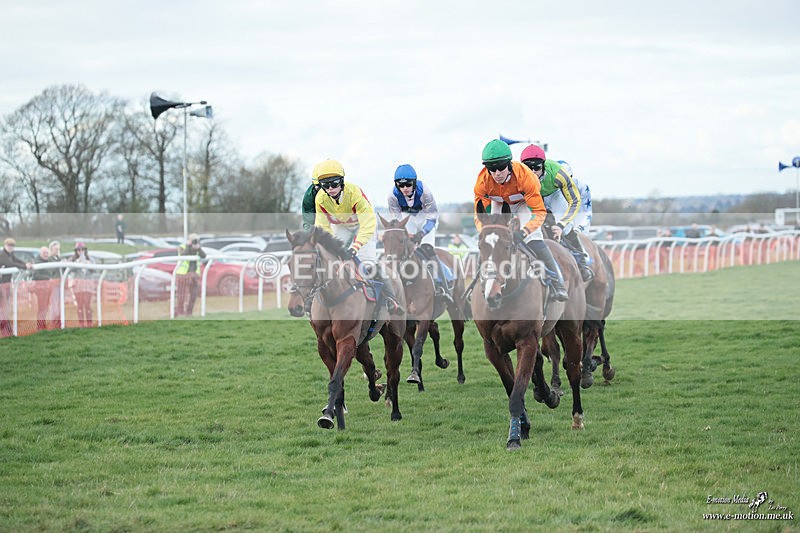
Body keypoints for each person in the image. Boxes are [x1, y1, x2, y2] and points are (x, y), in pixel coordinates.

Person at [473, 139, 568, 301]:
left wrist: (524, 232)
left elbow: (539, 212)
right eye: (492, 169)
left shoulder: (526, 177)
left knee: (534, 239)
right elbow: (479, 214)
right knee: (489, 241)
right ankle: (478, 284)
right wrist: (486, 230)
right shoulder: (482, 182)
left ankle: (557, 282)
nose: (497, 173)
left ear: (509, 164)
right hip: (499, 202)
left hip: (524, 203)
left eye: (501, 167)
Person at [313, 159, 403, 315]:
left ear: (342, 181)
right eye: (325, 185)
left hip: (364, 225)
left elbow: (367, 224)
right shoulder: (320, 199)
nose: (330, 188)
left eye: (334, 183)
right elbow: (322, 228)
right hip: (342, 226)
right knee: (332, 259)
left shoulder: (354, 194)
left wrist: (355, 247)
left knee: (367, 263)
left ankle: (391, 299)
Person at [520, 145, 594, 282]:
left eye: (537, 167)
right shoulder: (518, 175)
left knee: (565, 228)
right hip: (532, 195)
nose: (533, 172)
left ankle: (582, 263)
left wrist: (561, 225)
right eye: (528, 168)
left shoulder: (558, 173)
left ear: (543, 165)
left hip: (553, 194)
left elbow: (574, 201)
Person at [387, 163, 453, 302]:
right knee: (406, 250)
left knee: (427, 248)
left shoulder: (425, 191)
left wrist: (421, 234)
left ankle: (442, 284)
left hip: (426, 219)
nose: (405, 188)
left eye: (408, 184)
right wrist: (405, 235)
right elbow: (397, 222)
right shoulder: (392, 196)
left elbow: (432, 218)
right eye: (401, 185)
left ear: (414, 183)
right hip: (408, 219)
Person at [1, 238, 34, 336]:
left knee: (6, 307)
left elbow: (17, 261)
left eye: (12, 245)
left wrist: (26, 264)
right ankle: (6, 329)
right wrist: (25, 266)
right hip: (2, 285)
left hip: (6, 285)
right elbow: (10, 264)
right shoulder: (2, 255)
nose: (10, 247)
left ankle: (7, 330)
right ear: (5, 245)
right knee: (4, 307)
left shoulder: (11, 255)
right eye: (9, 245)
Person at [175, 233, 206, 317]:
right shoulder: (182, 247)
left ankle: (189, 313)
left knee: (193, 295)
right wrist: (189, 246)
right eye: (193, 241)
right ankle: (179, 312)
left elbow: (203, 256)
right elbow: (183, 254)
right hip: (183, 274)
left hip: (194, 275)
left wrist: (199, 249)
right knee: (181, 296)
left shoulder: (197, 248)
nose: (195, 242)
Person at [69, 242, 96, 327]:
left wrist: (86, 262)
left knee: (88, 305)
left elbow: (94, 270)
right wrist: (77, 262)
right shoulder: (73, 260)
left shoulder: (91, 260)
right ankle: (81, 325)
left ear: (85, 250)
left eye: (82, 250)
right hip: (78, 286)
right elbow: (70, 270)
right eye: (78, 250)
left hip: (88, 285)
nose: (80, 251)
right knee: (80, 305)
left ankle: (89, 324)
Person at [32, 246, 56, 331]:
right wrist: (48, 278)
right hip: (40, 288)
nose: (46, 254)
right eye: (44, 253)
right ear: (40, 254)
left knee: (45, 307)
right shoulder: (37, 262)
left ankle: (43, 324)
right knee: (42, 307)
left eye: (47, 253)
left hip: (48, 288)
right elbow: (35, 276)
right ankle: (40, 326)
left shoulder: (49, 261)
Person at [48, 241, 64, 329]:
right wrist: (60, 263)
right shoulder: (50, 259)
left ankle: (59, 320)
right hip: (54, 283)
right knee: (54, 302)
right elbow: (52, 270)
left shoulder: (58, 258)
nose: (57, 251)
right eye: (55, 249)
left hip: (60, 283)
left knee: (59, 302)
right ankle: (53, 321)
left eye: (58, 249)